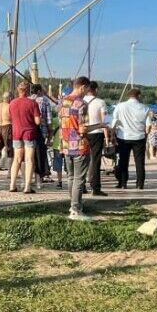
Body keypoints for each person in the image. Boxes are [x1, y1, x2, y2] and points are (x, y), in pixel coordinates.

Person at [58, 76, 105, 221]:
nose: (86, 92)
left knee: (70, 177)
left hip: (66, 145)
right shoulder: (81, 103)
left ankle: (72, 204)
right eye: (86, 89)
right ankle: (76, 210)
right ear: (82, 87)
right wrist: (100, 125)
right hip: (79, 145)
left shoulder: (62, 102)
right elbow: (83, 129)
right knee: (79, 179)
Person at [111, 88, 151, 189]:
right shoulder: (145, 108)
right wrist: (145, 135)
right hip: (139, 137)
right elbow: (148, 126)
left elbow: (114, 122)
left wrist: (112, 135)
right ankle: (139, 183)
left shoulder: (120, 106)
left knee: (123, 161)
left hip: (123, 136)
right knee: (140, 162)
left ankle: (123, 183)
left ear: (128, 96)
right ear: (139, 96)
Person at [7, 80, 42, 193]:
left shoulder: (12, 103)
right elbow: (37, 121)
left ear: (18, 90)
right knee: (29, 160)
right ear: (28, 91)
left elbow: (10, 118)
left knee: (16, 159)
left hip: (16, 133)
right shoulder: (33, 103)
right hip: (29, 133)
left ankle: (12, 185)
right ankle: (27, 187)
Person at [84, 81, 110, 195]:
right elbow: (106, 121)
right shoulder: (101, 102)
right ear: (96, 90)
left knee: (82, 159)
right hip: (97, 133)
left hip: (83, 132)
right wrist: (107, 136)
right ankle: (96, 187)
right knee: (96, 160)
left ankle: (81, 186)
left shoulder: (81, 101)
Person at [31, 84, 55, 183]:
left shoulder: (28, 100)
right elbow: (49, 119)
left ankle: (31, 176)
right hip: (42, 130)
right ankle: (40, 177)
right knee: (41, 154)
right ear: (39, 91)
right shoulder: (45, 101)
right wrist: (50, 133)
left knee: (30, 154)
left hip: (29, 131)